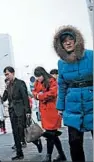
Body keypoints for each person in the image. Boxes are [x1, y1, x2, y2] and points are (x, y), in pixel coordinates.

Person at [53, 25, 93, 162]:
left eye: (71, 39)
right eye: (64, 41)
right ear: (61, 45)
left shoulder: (91, 55)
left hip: (91, 101)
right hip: (72, 105)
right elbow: (62, 85)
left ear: (77, 40)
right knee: (74, 142)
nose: (68, 42)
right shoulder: (61, 63)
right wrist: (60, 106)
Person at [2, 66, 42, 160]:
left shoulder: (20, 83)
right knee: (15, 132)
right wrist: (5, 88)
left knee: (22, 132)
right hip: (12, 111)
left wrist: (28, 111)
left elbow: (25, 98)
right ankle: (19, 153)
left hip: (21, 111)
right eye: (5, 75)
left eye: (7, 74)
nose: (6, 76)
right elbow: (4, 99)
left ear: (13, 73)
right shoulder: (8, 85)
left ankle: (36, 141)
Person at [32, 67, 66, 162]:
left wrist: (40, 95)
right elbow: (34, 92)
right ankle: (61, 155)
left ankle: (48, 156)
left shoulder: (52, 81)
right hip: (44, 111)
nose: (38, 78)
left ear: (43, 74)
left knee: (50, 134)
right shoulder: (37, 82)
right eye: (37, 77)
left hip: (52, 111)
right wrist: (39, 95)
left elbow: (52, 93)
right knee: (52, 135)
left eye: (39, 76)